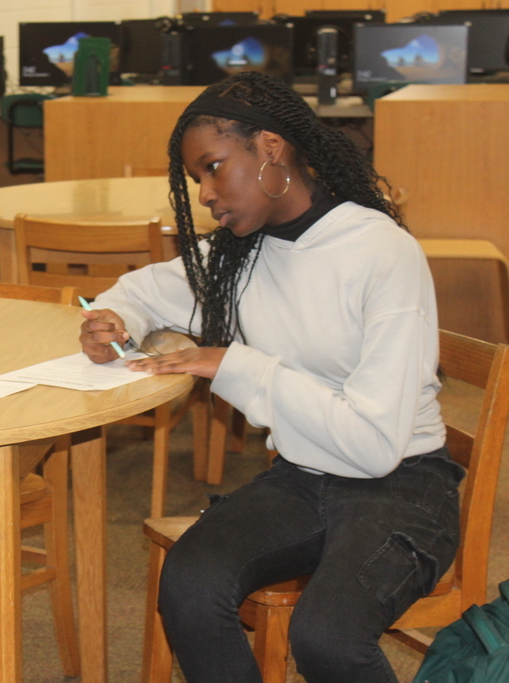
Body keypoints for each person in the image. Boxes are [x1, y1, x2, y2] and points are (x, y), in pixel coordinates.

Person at [79, 72, 461, 683]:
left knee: (326, 635)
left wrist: (236, 364)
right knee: (189, 583)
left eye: (213, 167)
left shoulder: (380, 254)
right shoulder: (239, 252)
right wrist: (112, 320)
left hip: (403, 482)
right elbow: (140, 291)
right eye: (196, 178)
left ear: (271, 148)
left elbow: (373, 446)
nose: (204, 193)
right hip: (302, 475)